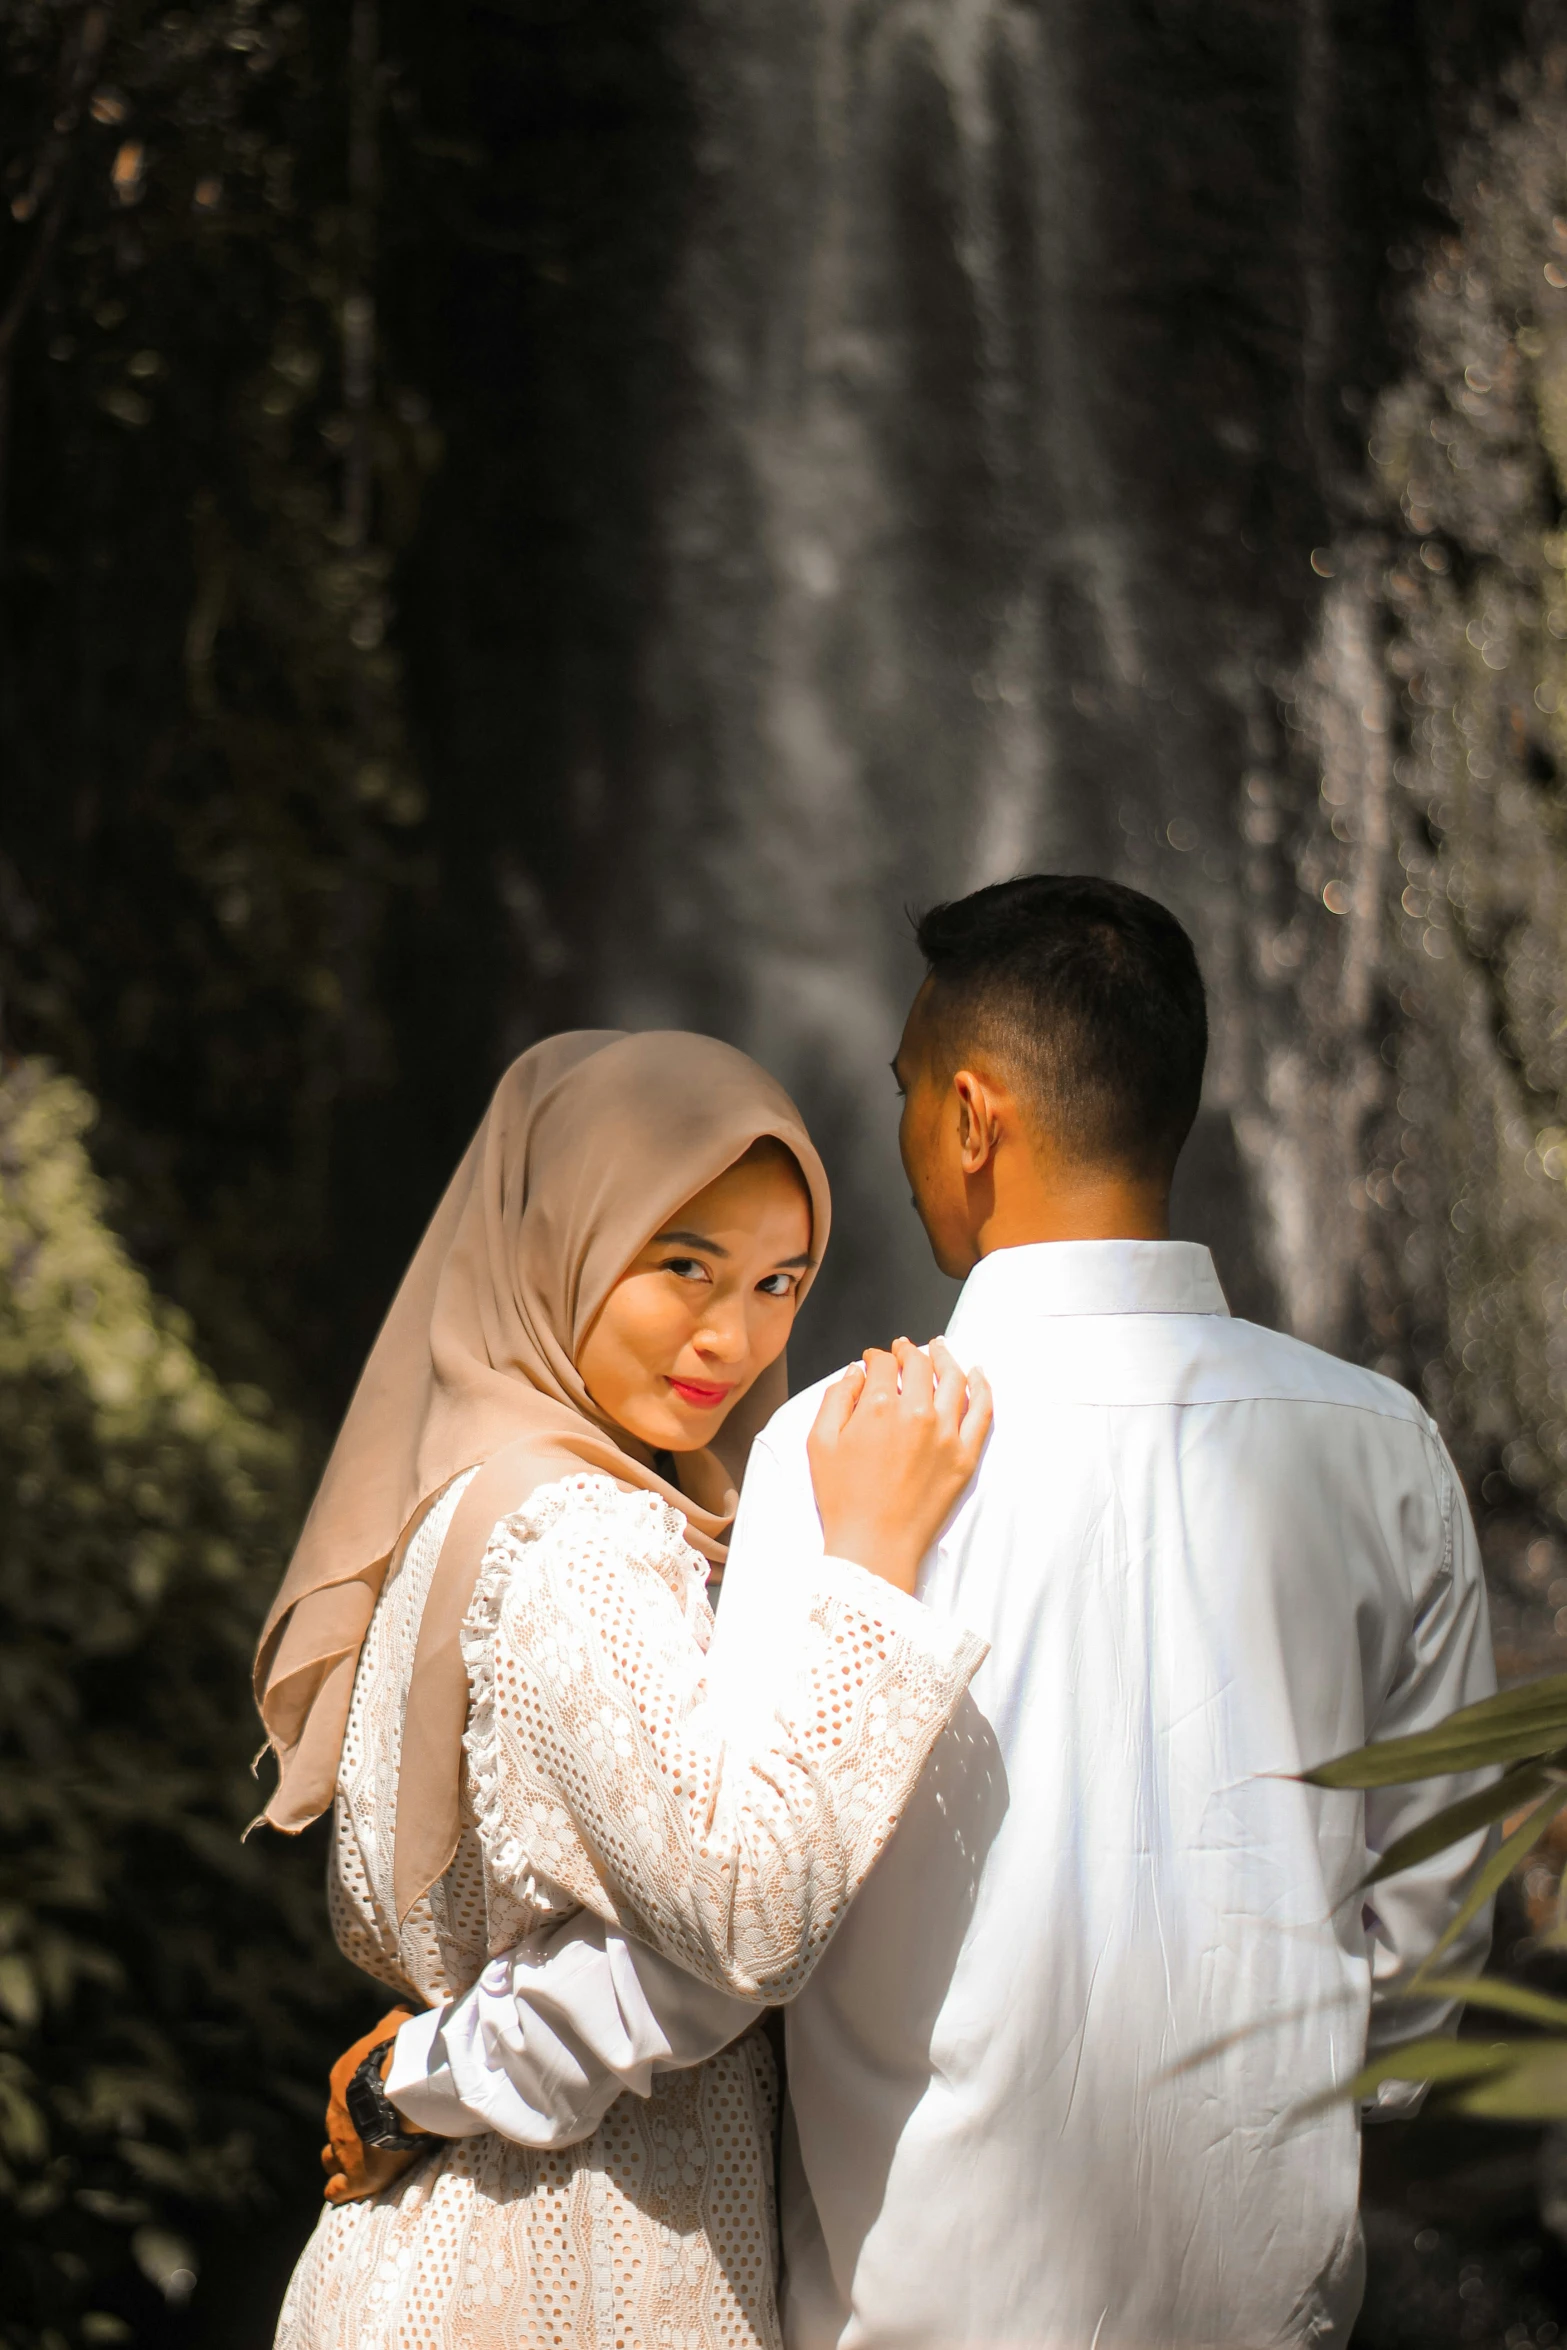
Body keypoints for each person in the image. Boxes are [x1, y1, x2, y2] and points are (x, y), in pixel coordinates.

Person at [385, 877, 1496, 2350]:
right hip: (1272, 2306)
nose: (902, 1138)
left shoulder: (843, 1449)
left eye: (910, 1091)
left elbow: (718, 1946)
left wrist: (432, 2070)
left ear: (974, 1117)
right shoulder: (1383, 1448)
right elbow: (1425, 1929)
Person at [254, 1027, 991, 2350]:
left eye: (778, 1279)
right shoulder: (577, 1539)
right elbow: (743, 1916)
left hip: (472, 2240)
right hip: (567, 2272)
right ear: (566, 1237)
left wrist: (409, 2081)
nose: (732, 1333)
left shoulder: (494, 1486)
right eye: (683, 1264)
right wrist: (875, 1559)